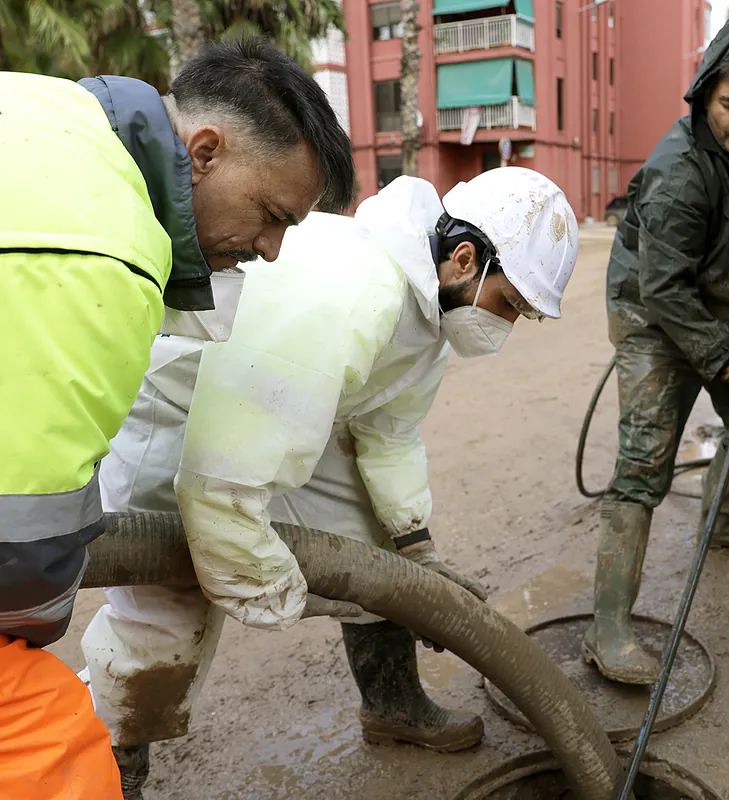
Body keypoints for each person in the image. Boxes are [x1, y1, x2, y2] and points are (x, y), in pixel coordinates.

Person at [79, 167, 578, 797]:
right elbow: (228, 471)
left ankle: (392, 706)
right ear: (463, 259)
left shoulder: (429, 316)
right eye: (508, 304)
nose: (504, 327)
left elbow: (388, 433)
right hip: (185, 423)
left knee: (378, 551)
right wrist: (262, 580)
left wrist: (416, 551)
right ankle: (111, 767)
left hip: (279, 415)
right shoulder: (353, 286)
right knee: (167, 614)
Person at [0, 38, 353, 799]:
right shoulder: (116, 254)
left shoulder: (49, 108)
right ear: (204, 151)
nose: (269, 250)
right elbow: (18, 542)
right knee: (56, 753)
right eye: (270, 215)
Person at [583, 0, 729, 686]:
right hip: (658, 317)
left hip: (728, 298)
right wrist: (724, 362)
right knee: (643, 469)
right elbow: (665, 293)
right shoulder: (678, 171)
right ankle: (610, 630)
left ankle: (723, 517)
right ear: (706, 95)